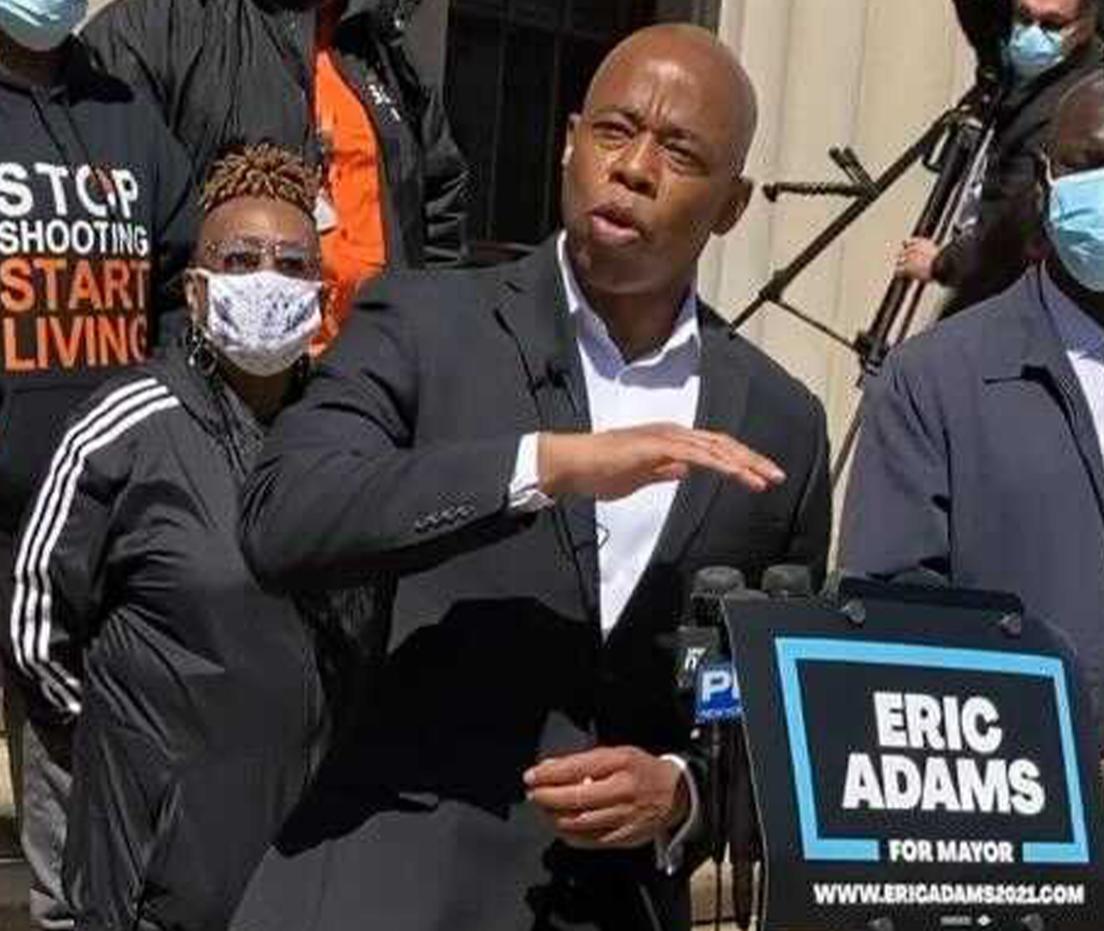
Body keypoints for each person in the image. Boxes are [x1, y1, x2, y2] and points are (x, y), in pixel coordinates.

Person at [233, 23, 830, 931]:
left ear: (734, 204)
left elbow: (776, 719)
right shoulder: (428, 325)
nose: (633, 168)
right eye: (613, 131)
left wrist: (678, 794)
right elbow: (285, 516)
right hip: (387, 891)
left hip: (615, 903)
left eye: (678, 151)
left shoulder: (778, 421)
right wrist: (543, 465)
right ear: (567, 140)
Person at [841, 68, 1104, 931]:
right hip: (979, 867)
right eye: (1086, 162)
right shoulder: (931, 379)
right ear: (1047, 179)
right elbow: (889, 603)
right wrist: (1040, 777)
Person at [7, 143, 330, 931]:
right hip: (154, 864)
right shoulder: (126, 426)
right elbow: (35, 623)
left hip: (303, 849)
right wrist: (127, 740)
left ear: (321, 290)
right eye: (242, 257)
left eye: (292, 263)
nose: (267, 278)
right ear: (196, 285)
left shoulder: (343, 433)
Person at [0, 1, 198, 926]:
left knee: (68, 796)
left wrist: (151, 427)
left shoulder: (126, 113)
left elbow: (180, 274)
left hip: (92, 528)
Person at [82, 0, 469, 352]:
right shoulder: (155, 30)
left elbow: (439, 214)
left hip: (368, 394)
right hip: (220, 392)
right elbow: (102, 245)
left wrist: (423, 355)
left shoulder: (381, 50)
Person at [896, 0, 1104, 316]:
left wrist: (942, 263)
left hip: (1007, 294)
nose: (1032, 33)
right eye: (1023, 16)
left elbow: (1012, 231)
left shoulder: (1065, 113)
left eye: (1051, 25)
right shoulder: (1023, 65)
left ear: (1085, 26)